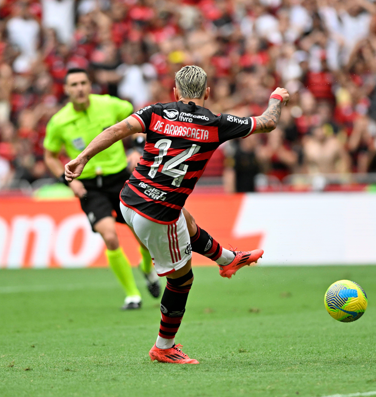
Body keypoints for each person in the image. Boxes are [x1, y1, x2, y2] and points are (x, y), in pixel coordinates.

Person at [64, 65, 288, 364]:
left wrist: (82, 158)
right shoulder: (216, 123)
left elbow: (116, 130)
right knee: (182, 280)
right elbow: (268, 122)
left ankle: (227, 260)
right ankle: (163, 347)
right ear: (207, 92)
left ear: (175, 92)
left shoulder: (156, 112)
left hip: (129, 198)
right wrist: (277, 97)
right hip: (157, 215)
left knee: (188, 220)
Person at [45, 68, 249, 311]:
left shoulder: (111, 105)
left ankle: (147, 269)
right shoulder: (58, 122)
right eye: (73, 84)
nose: (79, 88)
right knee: (109, 236)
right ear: (66, 90)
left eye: (83, 82)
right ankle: (132, 295)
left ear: (89, 85)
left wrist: (137, 148)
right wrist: (68, 180)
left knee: (142, 234)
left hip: (120, 176)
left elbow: (132, 124)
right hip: (89, 186)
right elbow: (49, 155)